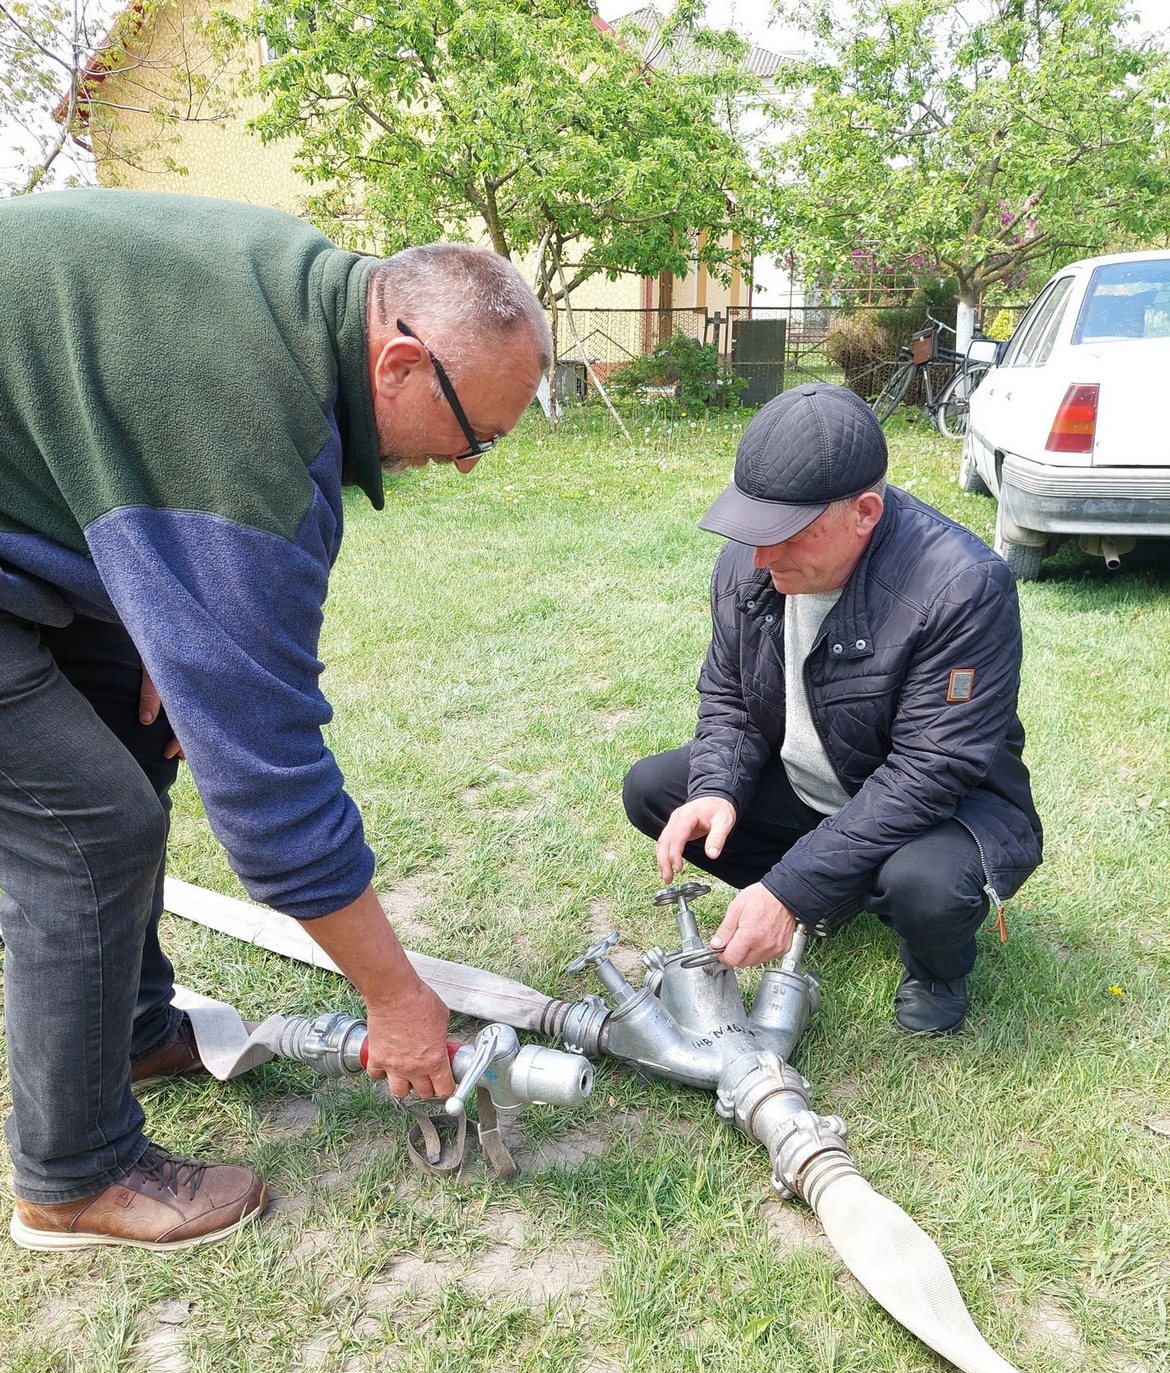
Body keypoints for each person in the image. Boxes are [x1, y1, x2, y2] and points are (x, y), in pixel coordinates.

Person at [0, 189, 551, 1252]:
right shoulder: (255, 432)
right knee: (90, 828)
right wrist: (395, 1001)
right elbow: (271, 783)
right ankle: (71, 1177)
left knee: (132, 718)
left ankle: (126, 1033)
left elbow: (102, 426)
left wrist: (171, 624)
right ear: (395, 365)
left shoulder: (301, 302)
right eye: (474, 432)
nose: (470, 463)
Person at [623, 383, 1043, 1036]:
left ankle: (936, 966)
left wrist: (788, 889)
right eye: (752, 529)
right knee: (656, 790)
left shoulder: (963, 587)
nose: (760, 558)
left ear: (866, 512)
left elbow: (928, 774)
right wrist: (716, 791)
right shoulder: (750, 559)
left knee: (925, 890)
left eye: (785, 535)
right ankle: (833, 892)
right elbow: (730, 698)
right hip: (812, 785)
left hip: (942, 810)